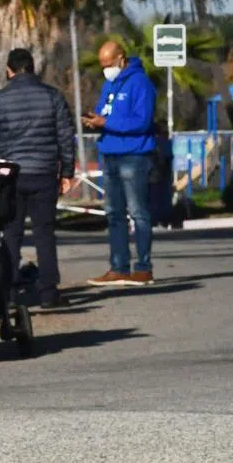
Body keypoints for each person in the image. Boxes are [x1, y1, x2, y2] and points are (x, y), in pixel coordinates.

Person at [0, 48, 76, 308]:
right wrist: (67, 172)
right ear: (32, 68)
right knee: (45, 233)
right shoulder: (52, 96)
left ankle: (10, 294)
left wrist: (4, 150)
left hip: (12, 175)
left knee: (11, 234)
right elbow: (65, 136)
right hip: (44, 173)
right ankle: (49, 292)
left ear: (9, 70)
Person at [82, 40, 157, 286]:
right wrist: (94, 121)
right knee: (114, 214)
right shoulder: (109, 84)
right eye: (102, 65)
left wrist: (107, 123)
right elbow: (104, 113)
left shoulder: (141, 83)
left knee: (138, 212)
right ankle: (118, 267)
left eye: (109, 64)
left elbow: (142, 121)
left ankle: (143, 268)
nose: (106, 69)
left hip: (133, 156)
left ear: (121, 59)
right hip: (110, 154)